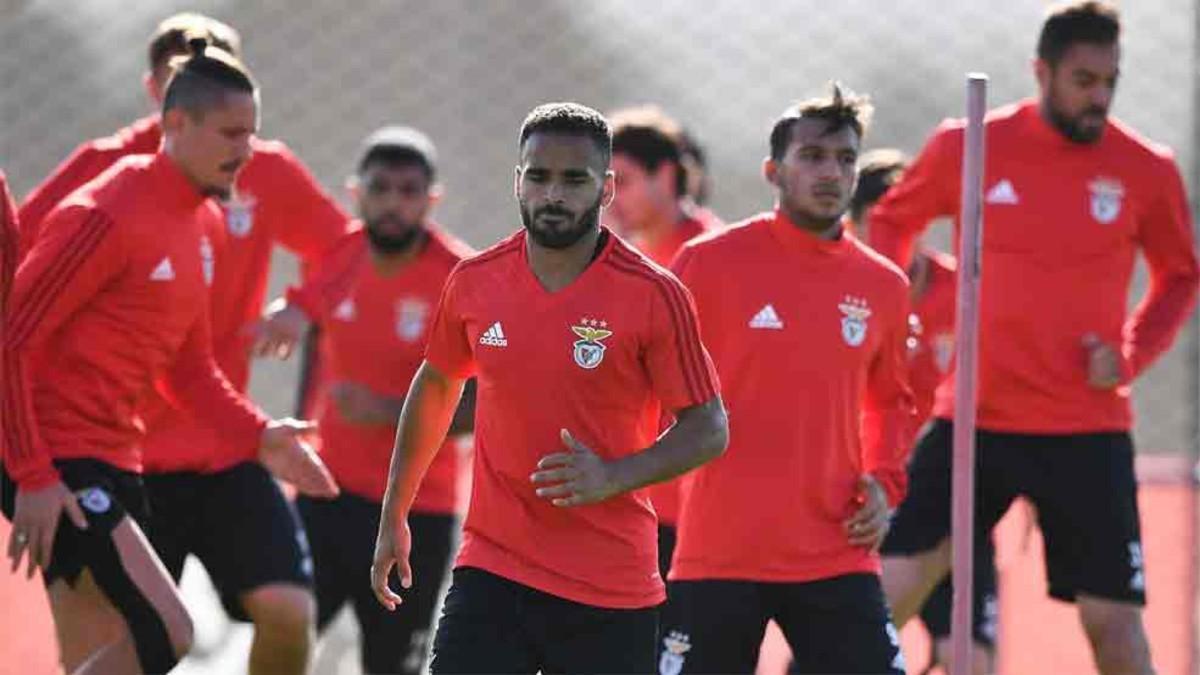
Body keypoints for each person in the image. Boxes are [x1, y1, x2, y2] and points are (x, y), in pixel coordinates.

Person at [869, 4, 1200, 673]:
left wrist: (1130, 353)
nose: (1099, 96)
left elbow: (1180, 276)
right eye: (1083, 79)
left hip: (1087, 427)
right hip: (974, 419)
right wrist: (892, 314)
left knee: (1113, 626)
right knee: (884, 595)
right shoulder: (969, 144)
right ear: (1041, 72)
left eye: (1111, 80)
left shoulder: (1146, 167)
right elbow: (889, 223)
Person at [17, 14, 353, 673]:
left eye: (250, 130)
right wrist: (31, 468)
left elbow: (188, 364)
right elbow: (16, 324)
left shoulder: (208, 210)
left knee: (236, 621)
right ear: (169, 107)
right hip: (76, 455)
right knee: (150, 636)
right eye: (231, 132)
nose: (246, 149)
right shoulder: (109, 196)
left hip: (163, 453)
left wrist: (263, 429)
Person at [369, 102, 728, 673]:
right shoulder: (475, 281)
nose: (553, 194)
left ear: (606, 188)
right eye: (538, 177)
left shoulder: (653, 294)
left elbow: (708, 427)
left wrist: (614, 475)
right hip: (493, 568)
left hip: (610, 588)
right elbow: (437, 383)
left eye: (574, 179)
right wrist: (395, 512)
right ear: (518, 180)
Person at [659, 84, 912, 674]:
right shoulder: (708, 263)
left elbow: (893, 402)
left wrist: (884, 483)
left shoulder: (883, 286)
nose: (832, 173)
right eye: (813, 157)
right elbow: (644, 383)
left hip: (834, 551)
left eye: (846, 159)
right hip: (718, 552)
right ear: (774, 170)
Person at [252, 126, 475, 673]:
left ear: (432, 199)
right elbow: (303, 315)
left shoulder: (461, 279)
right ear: (357, 193)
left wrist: (388, 413)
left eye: (409, 191)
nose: (394, 204)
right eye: (381, 189)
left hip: (415, 510)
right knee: (283, 637)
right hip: (326, 494)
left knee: (393, 663)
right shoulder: (338, 257)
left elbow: (480, 406)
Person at [851, 150, 997, 675]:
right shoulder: (844, 296)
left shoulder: (966, 292)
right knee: (846, 648)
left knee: (974, 660)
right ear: (857, 224)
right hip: (862, 502)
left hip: (942, 497)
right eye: (883, 223)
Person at [605, 104, 720, 578]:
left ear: (667, 175)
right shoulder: (624, 257)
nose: (610, 199)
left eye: (623, 181)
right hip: (638, 493)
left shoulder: (710, 258)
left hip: (693, 505)